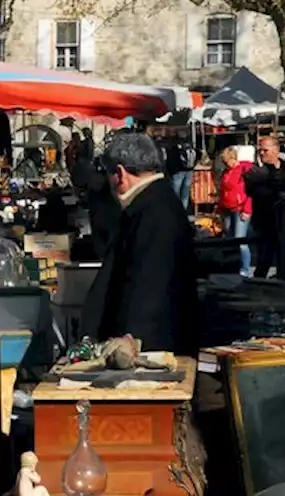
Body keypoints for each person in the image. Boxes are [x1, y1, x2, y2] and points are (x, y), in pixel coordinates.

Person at [82, 132, 198, 355]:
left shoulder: (153, 211)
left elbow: (148, 287)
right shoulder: (156, 202)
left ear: (120, 173)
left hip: (150, 348)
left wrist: (131, 340)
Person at [244, 136, 285, 279]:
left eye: (265, 150)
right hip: (264, 222)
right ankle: (257, 288)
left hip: (284, 222)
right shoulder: (256, 171)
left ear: (276, 150)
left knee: (284, 259)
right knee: (263, 259)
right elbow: (255, 191)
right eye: (259, 150)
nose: (262, 153)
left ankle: (283, 283)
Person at [216, 146, 255, 276]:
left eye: (227, 161)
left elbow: (249, 192)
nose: (227, 164)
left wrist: (247, 210)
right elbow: (222, 191)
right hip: (227, 208)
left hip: (240, 208)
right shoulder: (226, 172)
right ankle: (232, 265)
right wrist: (220, 208)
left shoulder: (244, 170)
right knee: (230, 239)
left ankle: (244, 269)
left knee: (240, 240)